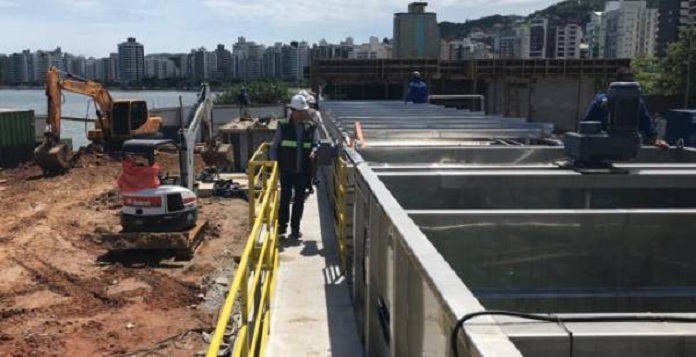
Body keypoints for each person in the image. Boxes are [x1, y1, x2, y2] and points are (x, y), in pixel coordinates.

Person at [269, 94, 320, 238]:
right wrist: (274, 168)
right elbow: (273, 148)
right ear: (293, 111)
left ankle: (295, 228)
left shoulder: (310, 127)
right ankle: (282, 227)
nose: (304, 113)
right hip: (286, 170)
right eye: (301, 111)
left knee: (299, 201)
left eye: (305, 111)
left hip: (303, 171)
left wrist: (314, 151)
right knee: (284, 199)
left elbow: (317, 143)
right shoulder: (283, 126)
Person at [583, 68, 668, 148]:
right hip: (604, 145)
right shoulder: (601, 101)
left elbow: (649, 128)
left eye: (631, 83)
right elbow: (586, 124)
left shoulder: (637, 103)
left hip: (629, 147)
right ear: (616, 83)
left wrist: (657, 141)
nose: (627, 87)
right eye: (625, 82)